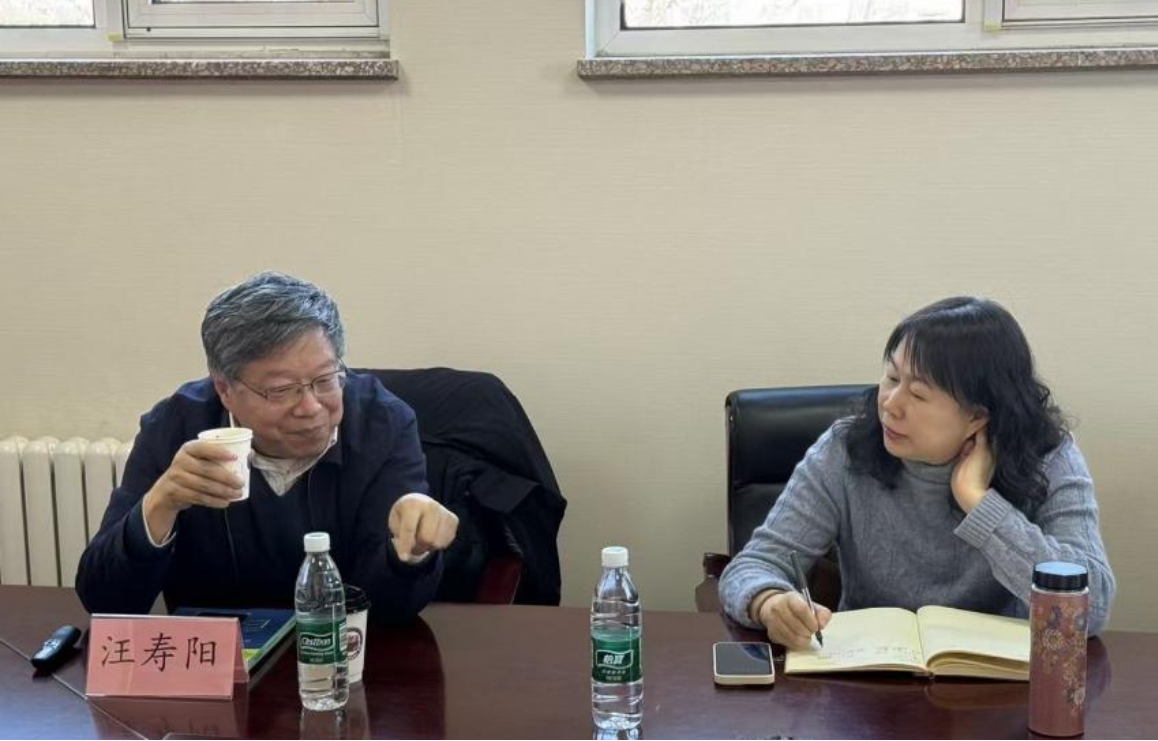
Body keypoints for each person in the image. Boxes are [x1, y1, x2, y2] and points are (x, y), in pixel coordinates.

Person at [719, 296, 1116, 648]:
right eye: (892, 378)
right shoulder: (845, 448)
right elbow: (753, 566)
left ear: (977, 416)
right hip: (868, 681)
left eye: (919, 394)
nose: (890, 404)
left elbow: (1092, 606)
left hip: (996, 686)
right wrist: (769, 602)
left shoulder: (1047, 456)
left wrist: (979, 503)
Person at [76, 272, 458, 624]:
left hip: (340, 650)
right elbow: (106, 602)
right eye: (281, 390)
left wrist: (410, 552)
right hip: (220, 658)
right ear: (225, 389)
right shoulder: (175, 427)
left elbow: (391, 611)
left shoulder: (382, 424)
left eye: (326, 380)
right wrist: (160, 505)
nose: (311, 407)